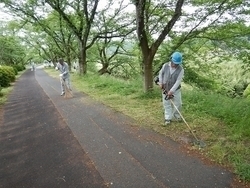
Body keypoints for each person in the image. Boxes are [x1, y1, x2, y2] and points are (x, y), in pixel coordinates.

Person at [158, 52, 184, 125]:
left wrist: (172, 91)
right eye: (174, 63)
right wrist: (160, 82)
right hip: (165, 88)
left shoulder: (181, 69)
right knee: (166, 103)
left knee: (178, 103)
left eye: (177, 63)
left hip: (176, 90)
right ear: (171, 60)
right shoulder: (165, 65)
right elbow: (161, 74)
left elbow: (178, 81)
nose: (175, 65)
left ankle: (176, 116)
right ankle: (168, 118)